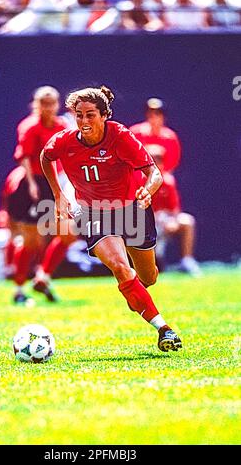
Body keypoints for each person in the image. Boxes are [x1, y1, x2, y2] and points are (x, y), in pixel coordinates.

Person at [40, 85, 182, 352]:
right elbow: (46, 158)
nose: (83, 121)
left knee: (148, 278)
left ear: (105, 115)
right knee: (119, 266)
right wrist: (58, 194)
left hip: (132, 210)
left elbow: (155, 173)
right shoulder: (63, 141)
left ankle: (136, 293)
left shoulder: (120, 136)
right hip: (94, 212)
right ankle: (164, 329)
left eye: (90, 114)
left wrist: (147, 191)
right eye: (78, 115)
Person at [6, 85, 76, 304]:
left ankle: (43, 277)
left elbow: (67, 154)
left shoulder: (62, 126)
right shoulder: (29, 126)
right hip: (32, 183)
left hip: (53, 183)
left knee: (68, 233)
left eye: (51, 103)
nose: (47, 107)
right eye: (43, 103)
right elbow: (24, 156)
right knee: (31, 241)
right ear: (37, 104)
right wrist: (31, 184)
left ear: (57, 105)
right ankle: (18, 290)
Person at [135, 144, 201, 276]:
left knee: (187, 221)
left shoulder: (168, 181)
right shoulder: (137, 179)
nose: (156, 163)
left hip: (164, 221)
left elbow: (174, 209)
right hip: (142, 222)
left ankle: (186, 261)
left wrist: (173, 221)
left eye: (159, 160)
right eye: (153, 160)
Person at [130, 97, 181, 173]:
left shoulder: (170, 137)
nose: (153, 117)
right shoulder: (135, 132)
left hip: (161, 175)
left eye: (157, 114)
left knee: (169, 181)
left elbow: (173, 162)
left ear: (163, 117)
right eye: (150, 114)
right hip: (138, 174)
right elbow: (128, 156)